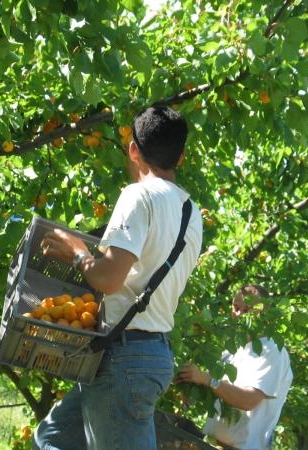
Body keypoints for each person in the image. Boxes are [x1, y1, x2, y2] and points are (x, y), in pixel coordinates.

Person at [32, 106, 203, 450]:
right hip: (148, 352)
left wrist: (78, 252)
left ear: (133, 149)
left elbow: (108, 280)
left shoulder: (138, 195)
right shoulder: (191, 212)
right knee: (50, 439)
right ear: (181, 156)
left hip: (124, 358)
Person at [173, 284, 293, 450]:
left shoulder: (272, 350)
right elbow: (194, 400)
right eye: (236, 308)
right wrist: (185, 380)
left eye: (247, 310)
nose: (239, 314)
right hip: (211, 444)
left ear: (262, 313)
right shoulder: (232, 349)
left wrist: (208, 380)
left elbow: (249, 400)